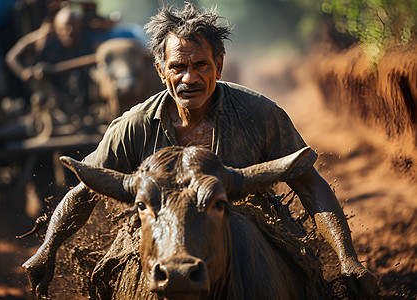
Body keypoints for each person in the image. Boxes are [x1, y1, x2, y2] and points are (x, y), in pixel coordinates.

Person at [22, 3, 378, 299]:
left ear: (219, 66)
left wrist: (347, 259)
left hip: (251, 236)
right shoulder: (132, 125)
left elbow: (310, 185)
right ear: (161, 71)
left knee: (305, 282)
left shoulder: (259, 114)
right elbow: (83, 193)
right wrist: (47, 250)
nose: (189, 78)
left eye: (200, 65)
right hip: (157, 236)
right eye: (177, 67)